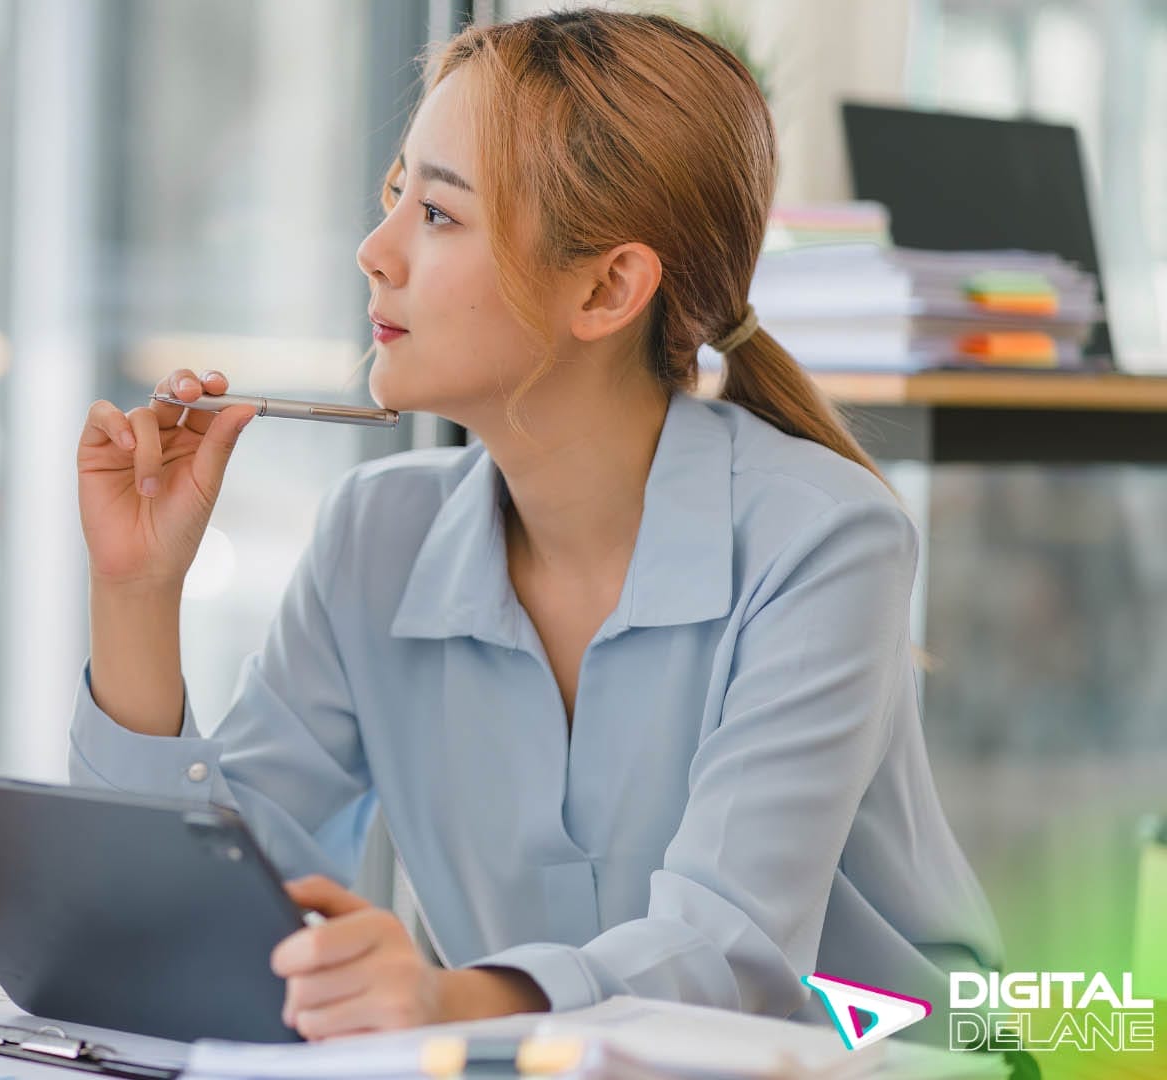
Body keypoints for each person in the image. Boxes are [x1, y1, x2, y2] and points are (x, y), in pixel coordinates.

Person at [71, 8, 1001, 1043]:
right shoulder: (375, 535)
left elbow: (730, 952)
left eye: (440, 215)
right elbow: (194, 910)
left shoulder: (825, 540)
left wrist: (443, 1001)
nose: (375, 252)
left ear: (608, 288)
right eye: (395, 197)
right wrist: (136, 591)